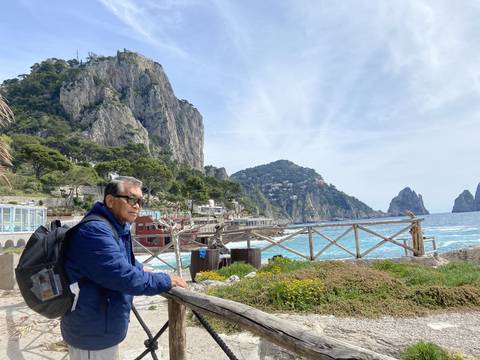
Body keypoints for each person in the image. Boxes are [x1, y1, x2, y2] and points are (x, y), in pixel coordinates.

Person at [61, 176, 187, 359]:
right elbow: (123, 276)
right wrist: (165, 280)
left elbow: (119, 260)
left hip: (101, 327)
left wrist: (140, 267)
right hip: (91, 333)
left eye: (140, 201)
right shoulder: (95, 231)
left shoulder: (115, 227)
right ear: (110, 200)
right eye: (131, 199)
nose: (137, 206)